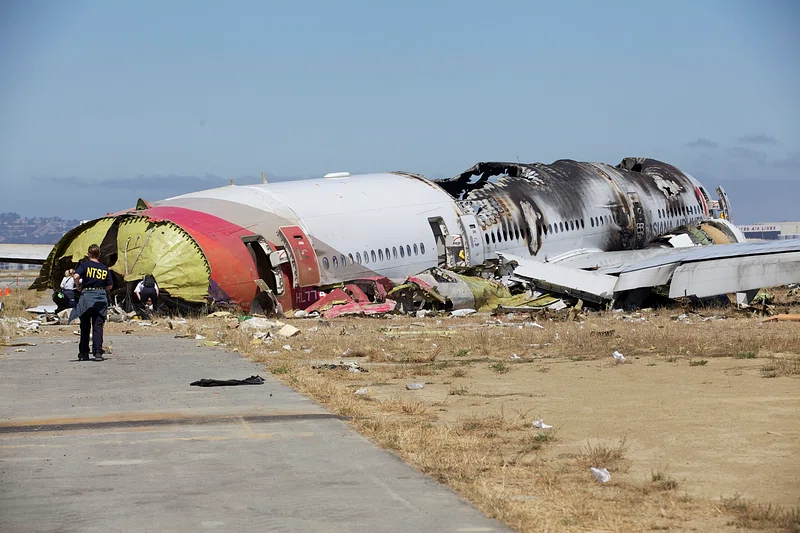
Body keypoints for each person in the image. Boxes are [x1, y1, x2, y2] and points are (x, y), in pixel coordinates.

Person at [68, 245, 113, 361]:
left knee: (85, 326)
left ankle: (83, 353)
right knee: (98, 326)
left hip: (87, 297)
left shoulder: (84, 266)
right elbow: (110, 285)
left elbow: (76, 276)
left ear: (88, 254)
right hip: (100, 298)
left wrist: (78, 286)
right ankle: (98, 352)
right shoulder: (104, 268)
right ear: (99, 255)